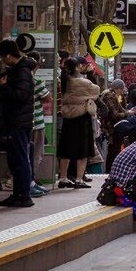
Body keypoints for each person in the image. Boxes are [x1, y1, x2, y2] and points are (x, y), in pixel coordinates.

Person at [0, 39, 37, 208]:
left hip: (19, 121)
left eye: (3, 58)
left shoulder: (22, 71)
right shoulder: (19, 70)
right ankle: (18, 193)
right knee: (16, 158)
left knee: (20, 159)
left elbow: (20, 96)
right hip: (18, 120)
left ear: (9, 55)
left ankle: (23, 195)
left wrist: (4, 87)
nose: (3, 61)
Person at [56, 56, 98, 189]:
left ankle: (63, 178)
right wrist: (90, 74)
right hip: (81, 117)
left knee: (66, 149)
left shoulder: (63, 81)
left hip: (68, 118)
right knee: (83, 150)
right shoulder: (82, 82)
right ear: (76, 67)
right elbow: (96, 90)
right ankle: (79, 179)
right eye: (79, 66)